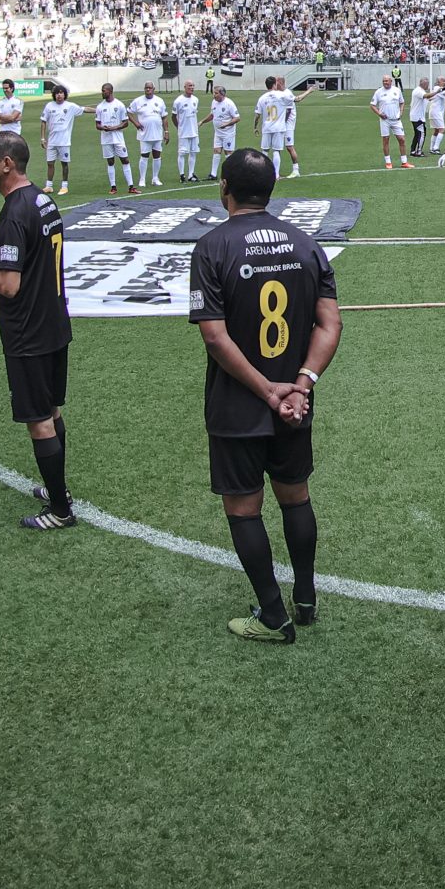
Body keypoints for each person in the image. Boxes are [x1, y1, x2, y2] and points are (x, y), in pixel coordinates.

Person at [189, 149, 342, 642]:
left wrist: (267, 391)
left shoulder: (211, 247)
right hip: (296, 405)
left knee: (244, 509)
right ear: (271, 188)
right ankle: (306, 596)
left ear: (224, 188)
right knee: (295, 496)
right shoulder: (306, 242)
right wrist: (302, 383)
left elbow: (215, 337)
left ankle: (274, 617)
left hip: (239, 405)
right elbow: (330, 323)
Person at [0, 131, 79, 529]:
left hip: (28, 333)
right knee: (51, 410)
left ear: (7, 163)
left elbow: (9, 285)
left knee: (39, 419)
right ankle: (59, 491)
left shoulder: (16, 211)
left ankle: (59, 510)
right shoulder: (42, 199)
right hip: (53, 323)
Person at [95, 83, 135, 195]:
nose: (102, 92)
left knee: (125, 160)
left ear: (110, 91)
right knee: (110, 161)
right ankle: (113, 187)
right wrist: (103, 128)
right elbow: (97, 125)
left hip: (118, 138)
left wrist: (114, 128)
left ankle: (131, 186)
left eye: (104, 91)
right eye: (102, 91)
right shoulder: (100, 107)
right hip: (106, 139)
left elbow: (126, 123)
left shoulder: (120, 105)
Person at [40, 83, 77, 196]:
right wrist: (42, 138)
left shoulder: (70, 106)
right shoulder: (49, 106)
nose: (59, 95)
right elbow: (43, 121)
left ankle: (64, 186)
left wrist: (98, 110)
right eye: (57, 93)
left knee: (64, 164)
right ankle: (49, 186)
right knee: (50, 163)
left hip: (64, 141)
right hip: (52, 141)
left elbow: (84, 109)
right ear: (54, 95)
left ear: (64, 94)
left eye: (61, 93)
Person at [132, 81, 168, 188]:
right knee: (144, 156)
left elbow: (164, 117)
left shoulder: (160, 101)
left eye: (150, 88)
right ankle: (142, 179)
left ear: (154, 89)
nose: (148, 90)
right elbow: (128, 112)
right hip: (144, 134)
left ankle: (155, 178)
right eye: (146, 88)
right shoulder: (138, 101)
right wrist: (136, 123)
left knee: (157, 156)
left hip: (157, 133)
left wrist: (166, 132)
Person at [372, 71, 411, 170]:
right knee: (386, 140)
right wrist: (379, 113)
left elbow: (402, 102)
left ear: (391, 81)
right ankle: (388, 162)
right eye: (384, 81)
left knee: (402, 139)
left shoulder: (397, 90)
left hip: (396, 120)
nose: (385, 83)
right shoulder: (378, 92)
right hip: (385, 120)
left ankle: (404, 162)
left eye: (387, 81)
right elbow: (372, 105)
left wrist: (401, 112)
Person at [207, 82, 239, 178]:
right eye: (213, 93)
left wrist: (227, 124)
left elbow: (237, 118)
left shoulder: (229, 103)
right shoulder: (214, 102)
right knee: (216, 151)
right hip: (218, 133)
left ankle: (230, 174)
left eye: (216, 93)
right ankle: (213, 174)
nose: (214, 95)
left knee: (228, 153)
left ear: (222, 94)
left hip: (228, 133)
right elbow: (212, 115)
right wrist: (202, 122)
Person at [173, 79, 202, 183]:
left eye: (193, 85)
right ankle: (181, 175)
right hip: (183, 132)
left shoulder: (195, 99)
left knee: (193, 152)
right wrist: (179, 127)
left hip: (194, 131)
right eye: (189, 86)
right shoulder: (178, 101)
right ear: (184, 87)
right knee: (182, 153)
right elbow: (173, 116)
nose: (192, 88)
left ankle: (191, 174)